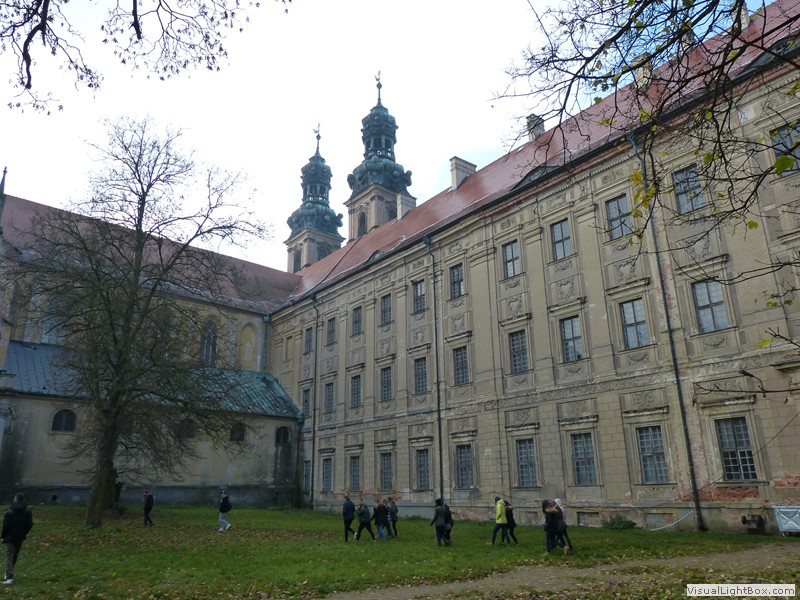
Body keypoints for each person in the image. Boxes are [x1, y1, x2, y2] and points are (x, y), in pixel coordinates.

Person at [2, 492, 33, 586]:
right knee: (14, 555)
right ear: (23, 500)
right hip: (20, 536)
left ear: (15, 499)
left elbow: (6, 526)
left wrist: (3, 536)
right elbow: (29, 524)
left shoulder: (9, 512)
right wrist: (24, 532)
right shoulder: (28, 512)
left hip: (10, 537)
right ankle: (9, 572)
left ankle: (9, 576)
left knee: (10, 555)